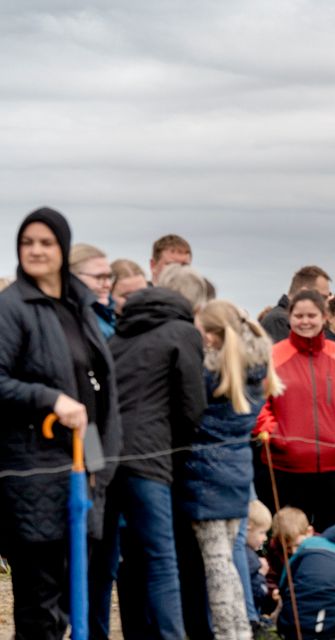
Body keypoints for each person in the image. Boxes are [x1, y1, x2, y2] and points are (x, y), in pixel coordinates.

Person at [0, 208, 122, 638]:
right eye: (27, 242)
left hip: (82, 470)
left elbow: (97, 386)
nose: (35, 250)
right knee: (40, 607)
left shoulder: (77, 307)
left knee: (72, 601)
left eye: (46, 243)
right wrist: (49, 399)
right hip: (33, 476)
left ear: (62, 249)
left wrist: (101, 464)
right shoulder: (11, 308)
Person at [93, 263, 207, 640]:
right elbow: (192, 405)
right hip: (150, 456)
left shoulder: (120, 334)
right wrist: (176, 452)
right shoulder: (183, 332)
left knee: (105, 560)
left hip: (106, 456)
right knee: (161, 557)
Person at [176, 300, 283, 640]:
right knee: (228, 560)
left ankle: (227, 632)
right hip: (236, 474)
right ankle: (239, 629)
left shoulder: (210, 374)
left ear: (210, 335)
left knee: (217, 564)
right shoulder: (255, 369)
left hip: (205, 477)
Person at [254, 290, 335, 533]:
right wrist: (276, 435)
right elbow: (257, 402)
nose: (305, 321)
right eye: (299, 316)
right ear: (290, 317)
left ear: (323, 317)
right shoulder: (273, 358)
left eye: (312, 315)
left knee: (332, 534)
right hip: (286, 465)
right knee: (288, 537)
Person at [261, 266, 331, 343]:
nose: (326, 304)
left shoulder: (281, 319)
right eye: (322, 297)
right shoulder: (278, 321)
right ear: (304, 292)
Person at [69, 243, 116, 339]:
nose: (108, 284)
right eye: (99, 277)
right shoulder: (69, 322)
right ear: (73, 277)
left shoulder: (109, 316)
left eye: (109, 277)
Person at [245, 500, 278, 623]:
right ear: (248, 527)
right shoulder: (251, 559)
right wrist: (261, 575)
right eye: (262, 532)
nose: (265, 538)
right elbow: (257, 593)